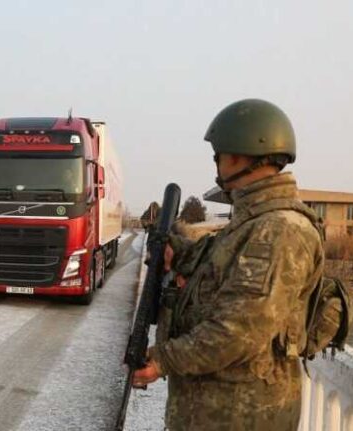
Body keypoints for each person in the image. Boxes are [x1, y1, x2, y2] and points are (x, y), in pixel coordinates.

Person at [132, 99, 325, 430]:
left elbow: (238, 331)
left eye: (218, 155)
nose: (217, 164)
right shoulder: (251, 223)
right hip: (214, 412)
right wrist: (175, 251)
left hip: (239, 417)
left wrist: (164, 359)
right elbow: (214, 269)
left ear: (237, 155)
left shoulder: (279, 230)